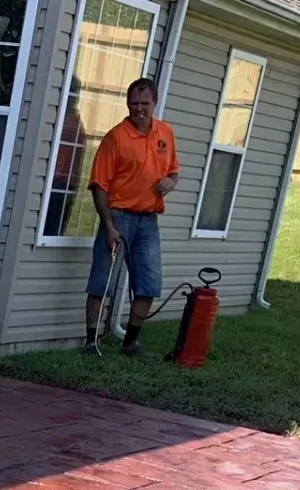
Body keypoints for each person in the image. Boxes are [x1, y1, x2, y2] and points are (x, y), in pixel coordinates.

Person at [81, 76, 178, 357]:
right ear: (127, 104)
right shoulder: (116, 137)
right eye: (134, 103)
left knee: (148, 284)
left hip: (148, 220)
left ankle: (131, 342)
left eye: (144, 103)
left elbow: (173, 170)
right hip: (119, 216)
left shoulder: (165, 134)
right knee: (102, 280)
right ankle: (91, 342)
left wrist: (171, 182)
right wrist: (108, 225)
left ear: (154, 102)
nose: (139, 109)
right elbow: (99, 185)